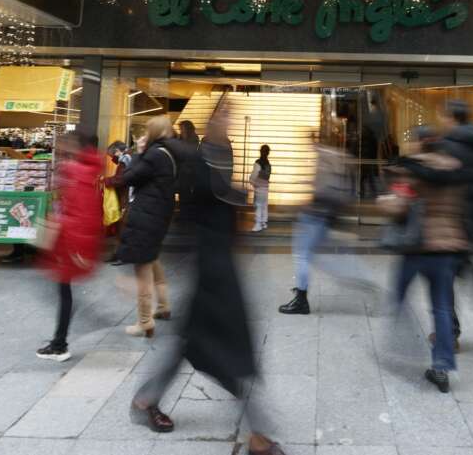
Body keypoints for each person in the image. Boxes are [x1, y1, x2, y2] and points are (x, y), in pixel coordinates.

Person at [130, 110, 287, 455]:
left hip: (216, 267)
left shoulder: (215, 161)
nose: (230, 125)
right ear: (211, 127)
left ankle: (145, 400)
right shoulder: (196, 164)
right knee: (231, 350)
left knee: (193, 344)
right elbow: (195, 205)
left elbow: (217, 205)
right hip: (211, 270)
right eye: (225, 119)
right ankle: (258, 435)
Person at [389, 126, 469, 393]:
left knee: (398, 295)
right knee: (443, 309)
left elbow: (399, 205)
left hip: (418, 246)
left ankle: (404, 346)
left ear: (421, 142)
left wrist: (384, 203)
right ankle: (442, 366)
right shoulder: (455, 167)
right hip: (448, 247)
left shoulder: (415, 168)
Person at [278, 130, 374, 315]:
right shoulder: (337, 157)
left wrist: (301, 205)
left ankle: (301, 300)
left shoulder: (324, 158)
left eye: (310, 140)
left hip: (314, 215)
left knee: (302, 255)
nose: (308, 145)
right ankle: (359, 276)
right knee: (318, 256)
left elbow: (321, 191)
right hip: (326, 216)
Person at [35, 128, 104, 362]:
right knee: (63, 292)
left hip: (70, 244)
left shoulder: (77, 172)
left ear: (77, 147)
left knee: (64, 293)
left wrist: (75, 248)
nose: (61, 147)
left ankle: (60, 344)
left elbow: (82, 215)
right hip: (71, 242)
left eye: (66, 143)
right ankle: (59, 341)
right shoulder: (87, 170)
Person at [106, 116, 177, 336]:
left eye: (147, 132)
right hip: (159, 216)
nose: (143, 136)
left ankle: (144, 320)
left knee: (142, 268)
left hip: (147, 216)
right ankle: (164, 306)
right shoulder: (168, 153)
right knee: (152, 259)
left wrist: (138, 152)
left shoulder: (154, 155)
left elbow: (129, 177)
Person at [435, 100, 473, 346]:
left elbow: (441, 185)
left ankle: (449, 332)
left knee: (443, 279)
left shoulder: (449, 146)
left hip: (451, 224)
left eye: (443, 116)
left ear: (451, 118)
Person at [249, 144, 272, 231]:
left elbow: (254, 175)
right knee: (264, 205)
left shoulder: (258, 163)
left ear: (260, 152)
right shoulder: (268, 164)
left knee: (258, 205)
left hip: (259, 187)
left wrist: (251, 181)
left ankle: (258, 224)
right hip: (266, 187)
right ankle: (263, 222)